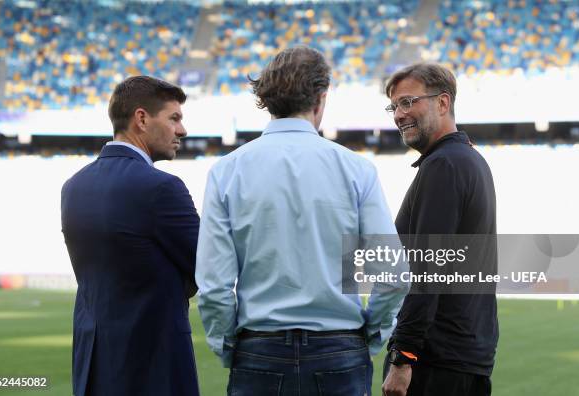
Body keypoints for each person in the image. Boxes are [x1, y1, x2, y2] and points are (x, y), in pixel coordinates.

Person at [196, 45, 409, 395]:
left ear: (266, 100)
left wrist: (227, 345)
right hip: (339, 348)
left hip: (259, 349)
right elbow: (392, 274)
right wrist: (371, 335)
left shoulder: (227, 172)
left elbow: (215, 286)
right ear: (321, 99)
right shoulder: (356, 170)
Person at [61, 76, 200, 396]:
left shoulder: (73, 186)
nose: (182, 130)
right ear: (141, 118)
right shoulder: (162, 187)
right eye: (174, 118)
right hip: (151, 367)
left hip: (92, 366)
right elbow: (209, 266)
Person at [381, 63, 498, 396]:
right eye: (394, 106)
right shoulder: (468, 160)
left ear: (443, 103)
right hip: (462, 358)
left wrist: (403, 357)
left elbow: (427, 268)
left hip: (434, 363)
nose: (399, 115)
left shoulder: (444, 165)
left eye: (408, 102)